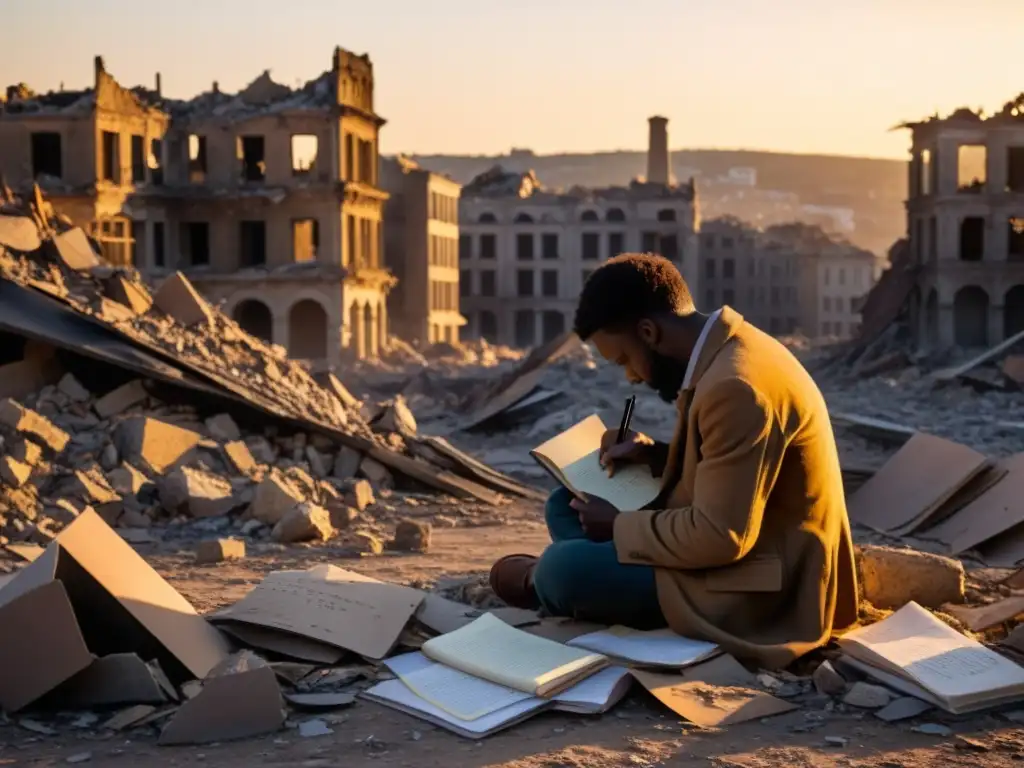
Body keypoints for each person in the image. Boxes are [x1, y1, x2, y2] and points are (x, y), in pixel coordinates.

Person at [489, 253, 858, 669]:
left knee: (562, 568)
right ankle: (590, 576)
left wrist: (618, 525)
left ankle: (545, 581)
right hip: (742, 534)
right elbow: (735, 465)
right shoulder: (726, 349)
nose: (630, 377)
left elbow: (723, 536)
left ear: (648, 331)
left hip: (766, 583)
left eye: (625, 360)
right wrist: (654, 456)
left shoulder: (735, 388)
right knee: (565, 502)